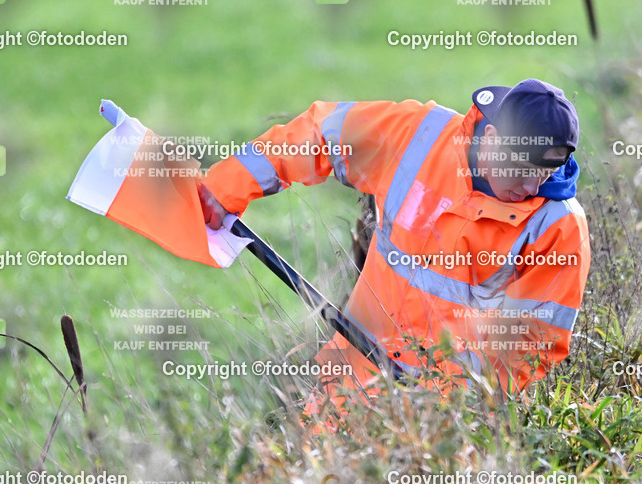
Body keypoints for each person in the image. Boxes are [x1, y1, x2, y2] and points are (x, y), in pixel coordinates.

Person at [197, 79, 591, 412]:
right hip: (347, 384)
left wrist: (449, 404)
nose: (531, 187)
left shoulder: (559, 226)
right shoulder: (420, 136)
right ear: (492, 138)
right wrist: (225, 187)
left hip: (445, 421)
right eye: (521, 170)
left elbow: (530, 345)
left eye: (545, 173)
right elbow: (319, 134)